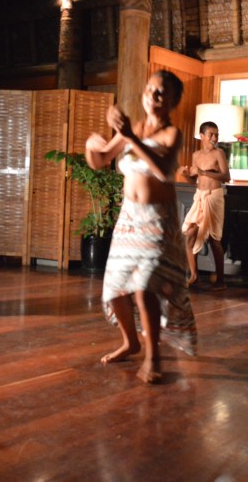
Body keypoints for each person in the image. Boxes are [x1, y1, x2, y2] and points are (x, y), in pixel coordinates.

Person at [85, 70, 196, 383]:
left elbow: (163, 171)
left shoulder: (171, 134)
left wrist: (133, 138)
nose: (153, 95)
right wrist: (92, 145)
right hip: (129, 220)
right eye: (150, 89)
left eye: (161, 92)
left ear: (173, 100)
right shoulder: (132, 128)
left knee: (143, 286)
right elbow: (102, 158)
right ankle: (130, 342)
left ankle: (153, 357)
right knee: (115, 289)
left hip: (157, 221)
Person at [180, 121, 230, 289]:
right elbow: (195, 181)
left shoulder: (219, 153)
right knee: (189, 233)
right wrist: (186, 175)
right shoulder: (196, 155)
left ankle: (221, 280)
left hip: (214, 197)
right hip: (199, 196)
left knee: (215, 239)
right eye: (211, 134)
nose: (214, 138)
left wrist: (203, 172)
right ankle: (194, 276)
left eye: (216, 134)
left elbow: (226, 177)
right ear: (201, 136)